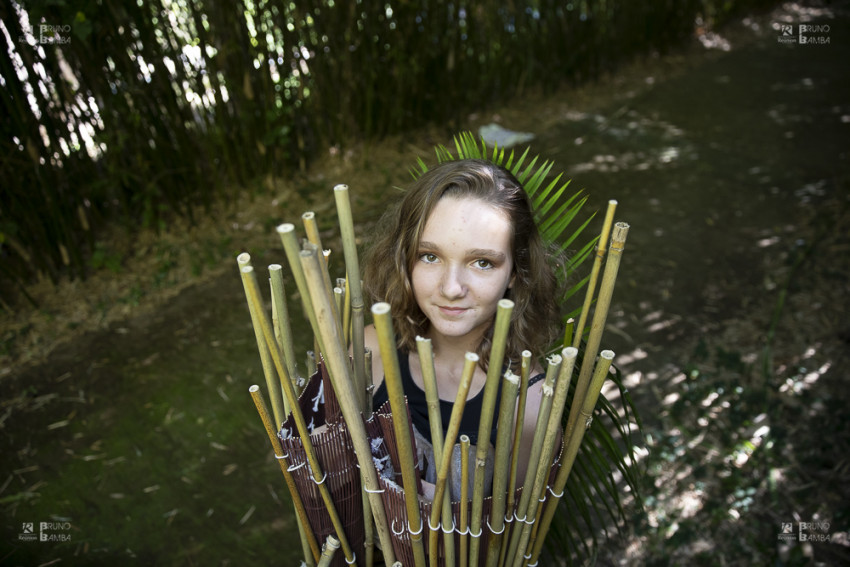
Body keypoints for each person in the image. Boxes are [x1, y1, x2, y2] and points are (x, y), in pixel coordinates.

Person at [362, 158, 565, 499]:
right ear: (404, 256)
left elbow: (507, 539)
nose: (452, 287)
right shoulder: (368, 351)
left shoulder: (529, 412)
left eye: (482, 262)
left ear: (515, 272)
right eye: (430, 256)